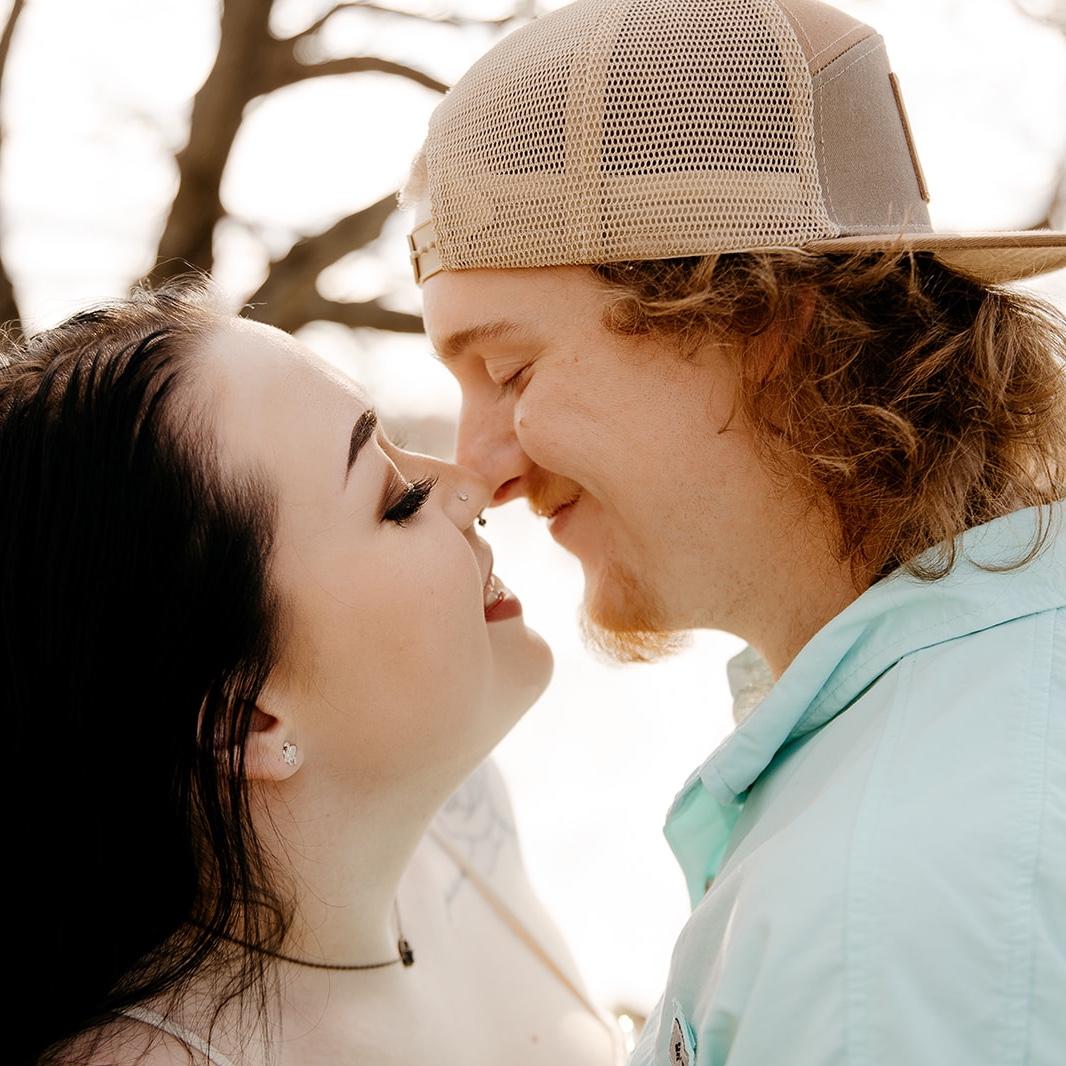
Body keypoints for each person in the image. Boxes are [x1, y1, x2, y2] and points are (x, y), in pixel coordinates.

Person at [400, 0, 1066, 1062]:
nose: (480, 469)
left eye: (511, 370)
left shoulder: (881, 906)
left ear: (761, 325)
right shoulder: (969, 720)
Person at [4, 281, 628, 1066]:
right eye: (396, 502)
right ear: (245, 723)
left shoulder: (453, 819)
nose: (469, 484)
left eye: (400, 442)